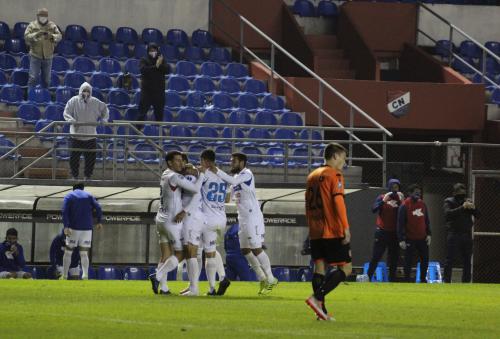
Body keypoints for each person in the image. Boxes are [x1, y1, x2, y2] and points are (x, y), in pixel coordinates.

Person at [212, 152, 278, 295]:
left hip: (253, 216)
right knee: (245, 250)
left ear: (242, 162)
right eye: (231, 161)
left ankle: (271, 278)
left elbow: (232, 181)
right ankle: (261, 277)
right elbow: (228, 198)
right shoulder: (235, 178)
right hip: (242, 217)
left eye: (234, 161)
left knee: (256, 248)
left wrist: (215, 170)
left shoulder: (247, 174)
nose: (231, 163)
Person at [304, 143, 352, 321]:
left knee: (320, 267)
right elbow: (338, 202)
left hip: (315, 229)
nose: (344, 162)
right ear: (334, 156)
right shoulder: (334, 174)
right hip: (331, 229)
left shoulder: (312, 175)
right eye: (342, 157)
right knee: (346, 268)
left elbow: (307, 205)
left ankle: (320, 311)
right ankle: (317, 299)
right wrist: (345, 227)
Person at [150, 150, 205, 295]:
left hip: (161, 219)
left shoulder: (165, 174)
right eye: (178, 160)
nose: (181, 163)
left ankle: (164, 288)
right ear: (169, 163)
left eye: (182, 160)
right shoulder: (174, 176)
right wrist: (202, 174)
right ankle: (157, 276)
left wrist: (191, 168)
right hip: (172, 221)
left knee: (165, 255)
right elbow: (195, 189)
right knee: (181, 253)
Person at [199, 149, 231, 295]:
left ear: (205, 161)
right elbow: (227, 199)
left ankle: (212, 288)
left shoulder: (205, 174)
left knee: (209, 253)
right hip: (221, 218)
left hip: (208, 218)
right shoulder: (222, 176)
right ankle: (223, 277)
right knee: (212, 249)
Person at [63, 82, 109, 180]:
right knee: (74, 158)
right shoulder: (73, 101)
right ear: (80, 91)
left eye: (88, 91)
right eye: (84, 90)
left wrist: (104, 119)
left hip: (90, 135)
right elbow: (66, 112)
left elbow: (105, 109)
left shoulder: (95, 102)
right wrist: (71, 120)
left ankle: (87, 176)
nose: (86, 92)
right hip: (76, 135)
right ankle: (74, 176)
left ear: (91, 92)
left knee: (90, 159)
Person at [61, 183, 103, 280]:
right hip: (87, 228)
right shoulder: (89, 196)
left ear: (73, 188)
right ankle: (85, 275)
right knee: (84, 253)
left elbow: (64, 211)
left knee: (68, 252)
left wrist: (66, 226)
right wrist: (99, 221)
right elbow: (98, 208)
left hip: (73, 228)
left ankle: (64, 275)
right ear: (83, 188)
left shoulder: (69, 195)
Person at [367, 178, 404, 282]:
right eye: (392, 187)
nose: (394, 189)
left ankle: (392, 279)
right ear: (389, 187)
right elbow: (374, 209)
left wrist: (402, 201)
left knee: (393, 258)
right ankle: (368, 276)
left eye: (396, 187)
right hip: (382, 232)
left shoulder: (401, 199)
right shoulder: (382, 197)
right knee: (376, 256)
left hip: (394, 233)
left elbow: (406, 214)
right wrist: (383, 201)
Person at [443, 183, 480, 283]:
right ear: (454, 193)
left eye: (463, 193)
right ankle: (446, 281)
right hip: (454, 233)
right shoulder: (449, 201)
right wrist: (462, 207)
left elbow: (478, 215)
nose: (461, 195)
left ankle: (466, 282)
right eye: (459, 193)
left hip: (466, 234)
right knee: (449, 259)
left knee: (467, 259)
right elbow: (448, 214)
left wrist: (473, 207)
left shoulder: (466, 201)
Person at [397, 184, 431, 283]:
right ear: (409, 193)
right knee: (408, 260)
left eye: (419, 193)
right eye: (416, 193)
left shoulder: (423, 204)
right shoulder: (405, 205)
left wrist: (429, 234)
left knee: (425, 259)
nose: (418, 195)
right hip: (410, 237)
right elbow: (400, 223)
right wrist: (401, 239)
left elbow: (426, 220)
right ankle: (407, 279)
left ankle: (423, 279)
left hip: (422, 237)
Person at [24, 8, 62, 91]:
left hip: (48, 57)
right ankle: (30, 96)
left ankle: (45, 96)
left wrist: (52, 36)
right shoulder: (32, 25)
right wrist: (36, 34)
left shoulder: (52, 25)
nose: (43, 17)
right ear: (37, 16)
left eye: (45, 16)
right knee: (33, 78)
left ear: (47, 16)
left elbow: (59, 36)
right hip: (35, 55)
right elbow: (26, 36)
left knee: (46, 80)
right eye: (41, 16)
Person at [137, 43, 168, 124]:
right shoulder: (144, 60)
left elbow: (167, 70)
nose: (153, 52)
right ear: (148, 51)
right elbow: (143, 70)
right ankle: (136, 133)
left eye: (154, 50)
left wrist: (159, 65)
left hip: (159, 93)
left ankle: (159, 134)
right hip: (147, 93)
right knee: (141, 114)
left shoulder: (161, 60)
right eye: (151, 51)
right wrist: (155, 66)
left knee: (159, 115)